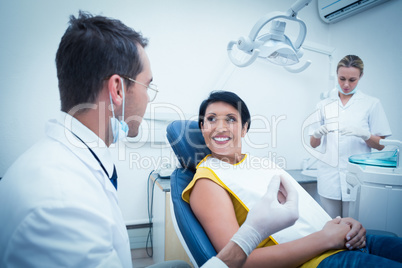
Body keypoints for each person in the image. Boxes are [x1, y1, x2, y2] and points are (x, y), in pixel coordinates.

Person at [0, 11, 298, 268]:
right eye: (147, 86)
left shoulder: (71, 161)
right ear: (117, 89)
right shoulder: (63, 202)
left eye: (231, 120)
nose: (148, 99)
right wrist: (250, 235)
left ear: (245, 128)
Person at [183, 90, 402, 268]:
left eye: (230, 119)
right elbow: (235, 262)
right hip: (318, 260)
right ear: (203, 128)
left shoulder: (260, 164)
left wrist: (343, 225)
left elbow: (306, 213)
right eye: (211, 119)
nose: (220, 127)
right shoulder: (208, 182)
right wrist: (327, 239)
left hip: (343, 241)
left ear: (244, 128)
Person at [309, 55, 392, 218]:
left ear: (360, 76)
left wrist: (365, 134)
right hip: (329, 176)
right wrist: (318, 133)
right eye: (342, 79)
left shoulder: (371, 103)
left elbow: (381, 145)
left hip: (357, 177)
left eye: (352, 80)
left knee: (352, 230)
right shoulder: (323, 104)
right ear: (337, 75)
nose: (346, 84)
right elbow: (313, 143)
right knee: (330, 227)